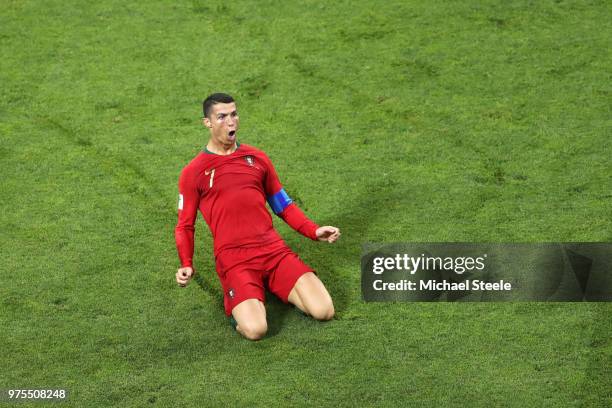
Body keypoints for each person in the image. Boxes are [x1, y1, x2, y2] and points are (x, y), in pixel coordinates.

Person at [174, 93, 340, 340]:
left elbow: (283, 205)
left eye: (234, 114)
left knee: (324, 311)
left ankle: (271, 287)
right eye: (222, 117)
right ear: (207, 123)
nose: (231, 122)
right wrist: (186, 263)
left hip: (273, 251)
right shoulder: (193, 172)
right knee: (256, 330)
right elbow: (184, 225)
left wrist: (313, 231)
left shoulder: (257, 158)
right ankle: (245, 304)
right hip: (234, 260)